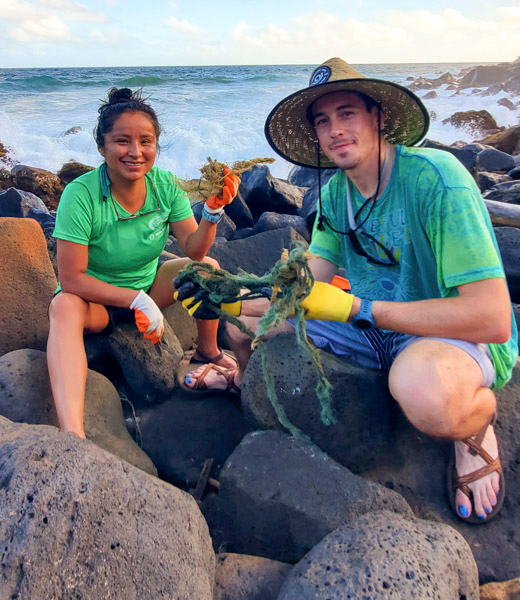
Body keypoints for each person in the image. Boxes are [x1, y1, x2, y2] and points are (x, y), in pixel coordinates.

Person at [176, 58, 518, 524]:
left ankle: (477, 422)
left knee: (419, 391)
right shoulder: (337, 193)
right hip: (373, 326)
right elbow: (309, 283)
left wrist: (359, 307)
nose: (334, 129)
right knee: (247, 328)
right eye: (322, 121)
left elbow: (492, 318)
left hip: (447, 336)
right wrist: (233, 298)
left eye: (347, 113)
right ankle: (245, 388)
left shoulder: (436, 179)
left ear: (377, 117)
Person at [48, 87, 240, 439]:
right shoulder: (81, 195)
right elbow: (72, 278)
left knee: (206, 269)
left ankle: (207, 353)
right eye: (122, 141)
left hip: (148, 288)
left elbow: (194, 250)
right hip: (96, 303)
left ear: (156, 145)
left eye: (146, 141)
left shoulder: (165, 186)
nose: (135, 152)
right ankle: (72, 436)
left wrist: (212, 212)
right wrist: (134, 300)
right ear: (101, 147)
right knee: (62, 306)